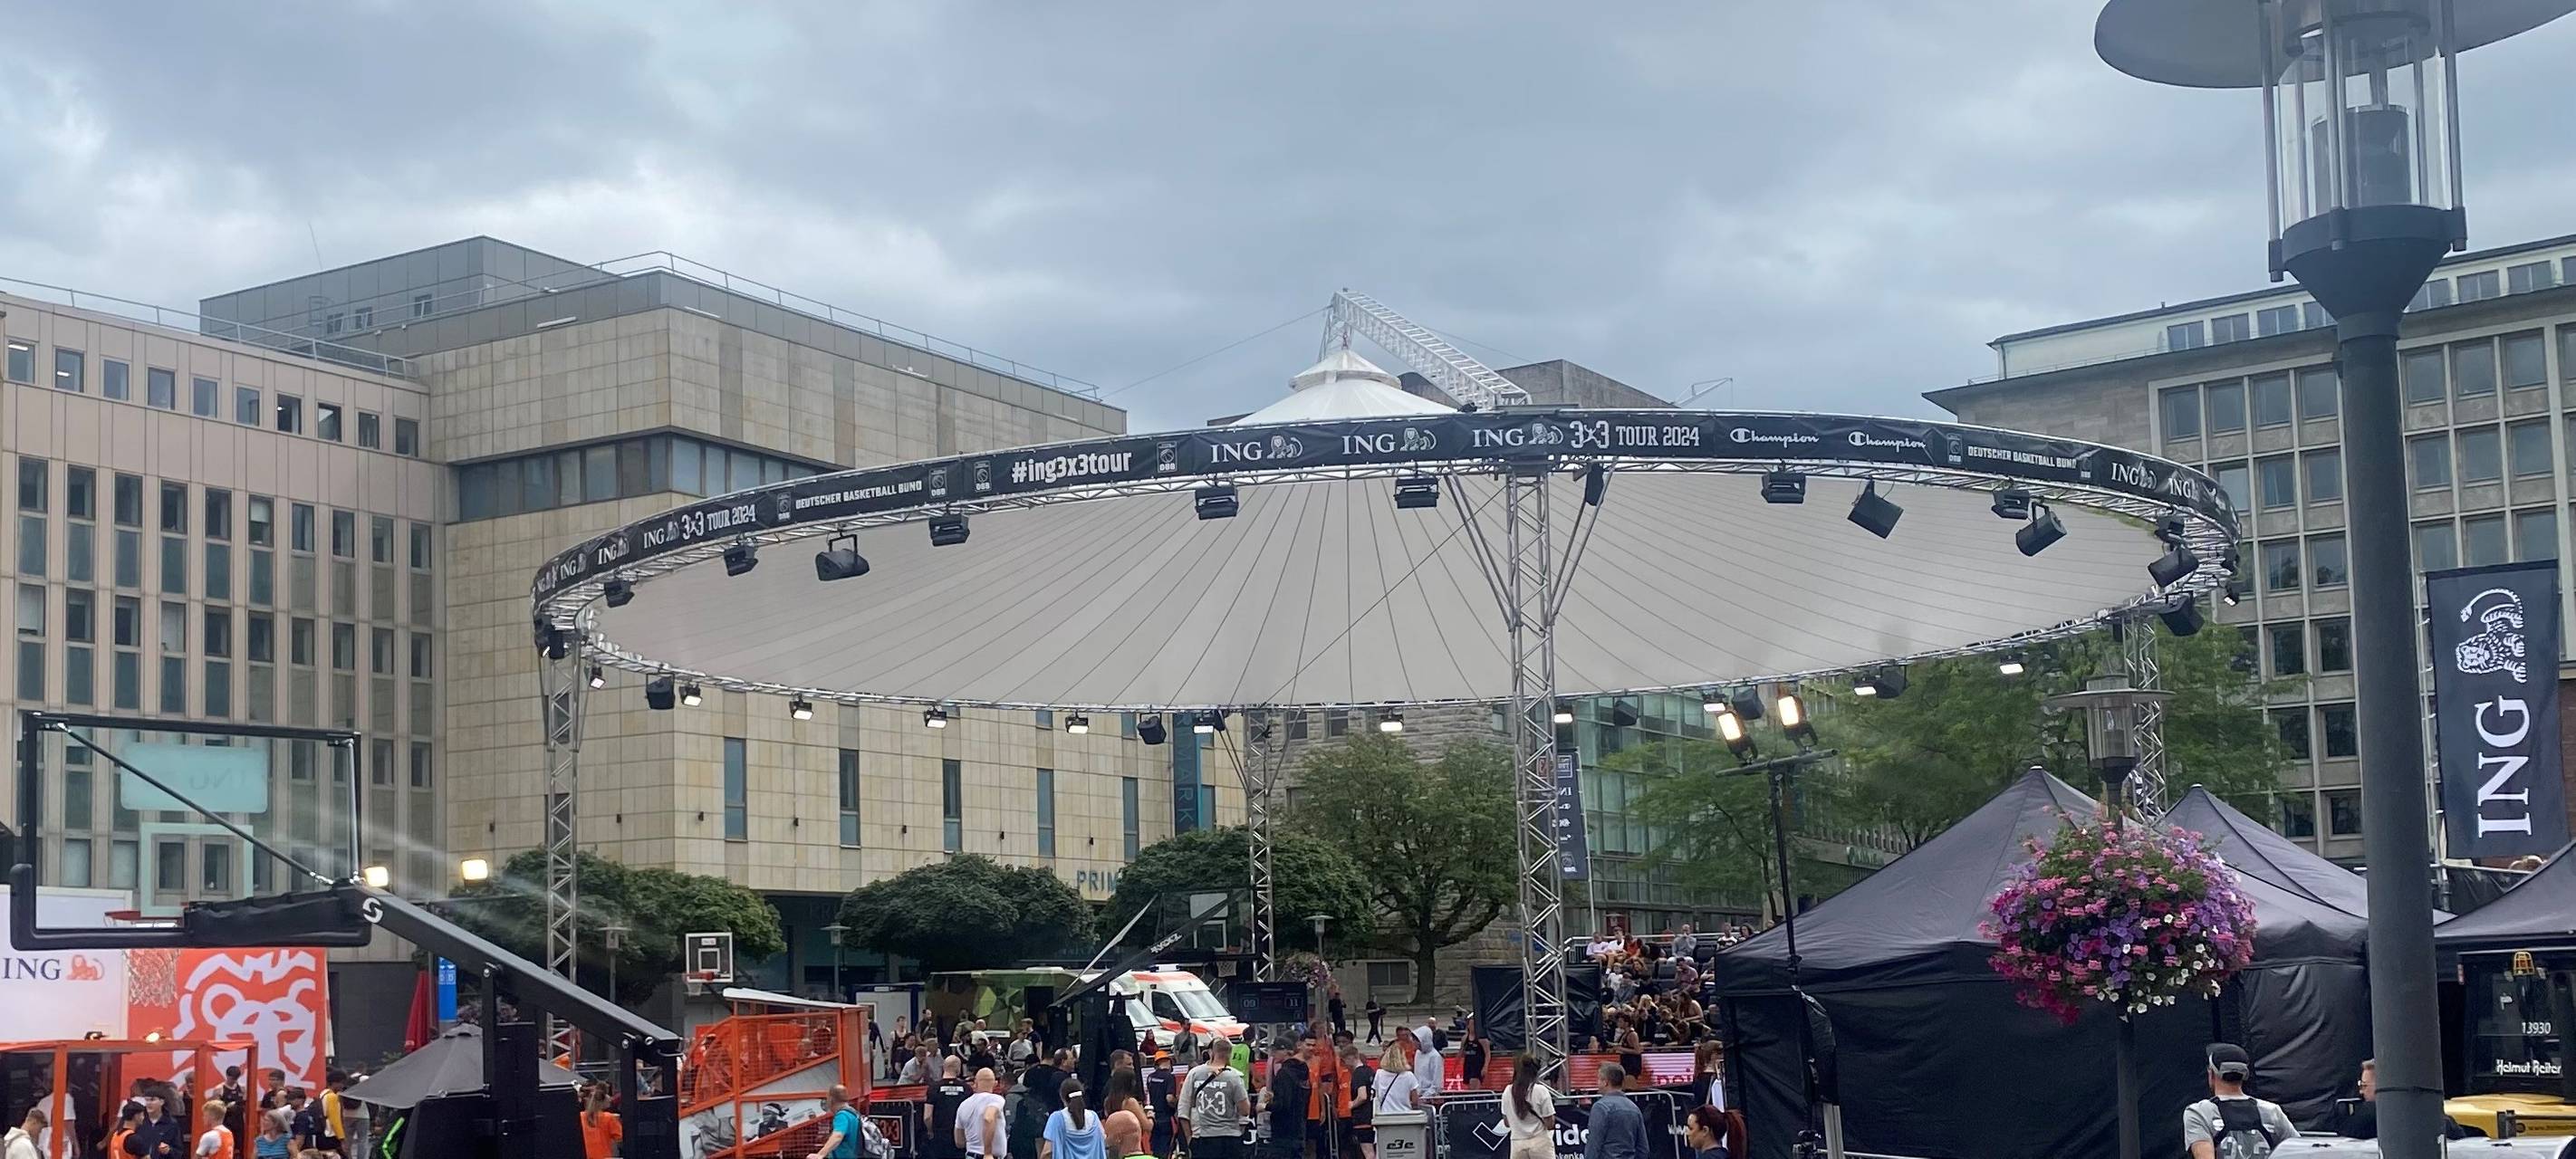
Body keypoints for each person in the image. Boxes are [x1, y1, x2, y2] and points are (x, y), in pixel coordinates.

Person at [2182, 1044, 2293, 1159]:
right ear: (2245, 1075)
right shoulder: (2272, 1112)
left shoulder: (2199, 1113)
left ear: (2211, 1073)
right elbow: (2298, 1150)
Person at [2331, 1058, 2470, 1141]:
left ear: (2383, 1087)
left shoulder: (2365, 1118)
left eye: (2363, 1085)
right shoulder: (2440, 1119)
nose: (2361, 1091)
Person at [1179, 1036, 1251, 1159]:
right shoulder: (1234, 1077)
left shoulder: (1194, 1074)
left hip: (1202, 1138)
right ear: (1229, 1054)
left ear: (1212, 1053)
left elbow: (1183, 1109)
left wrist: (1189, 1138)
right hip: (1230, 1139)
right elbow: (1245, 1111)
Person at [1582, 1065, 1648, 1159]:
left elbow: (1594, 1144)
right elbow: (1643, 1148)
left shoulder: (1600, 1107)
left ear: (1605, 1082)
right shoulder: (1634, 1108)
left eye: (1599, 1079)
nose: (1597, 1083)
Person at [1497, 1056, 1555, 1159]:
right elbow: (1550, 1124)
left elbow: (1506, 1123)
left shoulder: (1507, 1091)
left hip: (1517, 1144)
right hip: (1540, 1143)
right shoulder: (1541, 1090)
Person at [1258, 1043, 1307, 1159]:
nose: (1273, 1056)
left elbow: (1283, 1104)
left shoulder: (1284, 1074)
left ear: (1285, 1051)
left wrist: (1264, 1106)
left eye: (1275, 1052)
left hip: (1283, 1131)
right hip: (1298, 1126)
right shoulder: (1300, 1072)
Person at [1041, 1081, 1107, 1159]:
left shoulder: (1057, 1119)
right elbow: (1103, 1140)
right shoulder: (1094, 1117)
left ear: (1062, 1098)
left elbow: (1048, 1152)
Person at [928, 1058, 974, 1159]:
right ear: (958, 1068)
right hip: (960, 1135)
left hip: (940, 1134)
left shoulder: (933, 1088)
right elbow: (971, 1114)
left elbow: (927, 1116)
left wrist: (930, 1131)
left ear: (944, 1067)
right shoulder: (966, 1088)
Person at [958, 1069, 1008, 1159]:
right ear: (995, 1083)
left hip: (970, 1155)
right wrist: (987, 1153)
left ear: (975, 1084)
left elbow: (959, 1141)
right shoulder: (996, 1099)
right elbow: (988, 1118)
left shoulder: (963, 1104)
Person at [126, 1089, 187, 1159]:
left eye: (152, 1100)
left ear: (161, 1102)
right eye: (147, 1100)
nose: (149, 1103)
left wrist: (169, 1151)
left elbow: (179, 1151)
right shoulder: (140, 1121)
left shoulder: (171, 1124)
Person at [1369, 1042, 1418, 1116]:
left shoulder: (1379, 1074)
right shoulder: (1409, 1076)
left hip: (1384, 1115)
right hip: (1405, 1115)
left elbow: (1376, 1094)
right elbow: (1415, 1101)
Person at [1144, 1054, 1178, 1159]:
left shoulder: (1150, 1077)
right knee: (1165, 1149)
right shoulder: (1169, 1077)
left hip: (1153, 1117)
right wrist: (1177, 1103)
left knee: (1155, 1148)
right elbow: (1169, 1098)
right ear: (1168, 1062)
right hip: (1166, 1118)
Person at [580, 1083, 627, 1159]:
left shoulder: (580, 1116)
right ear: (604, 1102)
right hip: (603, 1156)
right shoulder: (609, 1118)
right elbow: (621, 1137)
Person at [1691, 1041, 1726, 1113]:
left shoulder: (1703, 1076)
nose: (1723, 1056)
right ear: (1713, 1055)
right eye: (1720, 1053)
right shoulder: (1705, 1077)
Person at [1408, 1021, 1441, 1097]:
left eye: (1415, 1040)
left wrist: (1425, 1096)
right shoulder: (1418, 1053)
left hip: (1429, 1097)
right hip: (1418, 1094)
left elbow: (1437, 1084)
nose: (1413, 1042)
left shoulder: (1435, 1057)